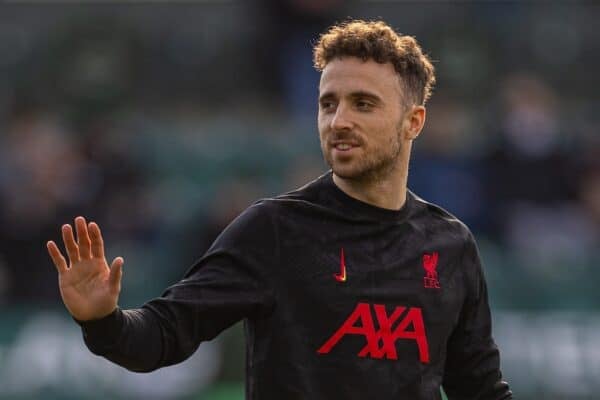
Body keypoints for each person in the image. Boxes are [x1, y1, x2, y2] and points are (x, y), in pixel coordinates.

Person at [47, 19, 512, 400]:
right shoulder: (273, 230)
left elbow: (479, 388)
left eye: (363, 104)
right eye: (327, 104)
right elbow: (163, 336)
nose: (339, 121)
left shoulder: (450, 245)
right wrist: (102, 321)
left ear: (413, 122)